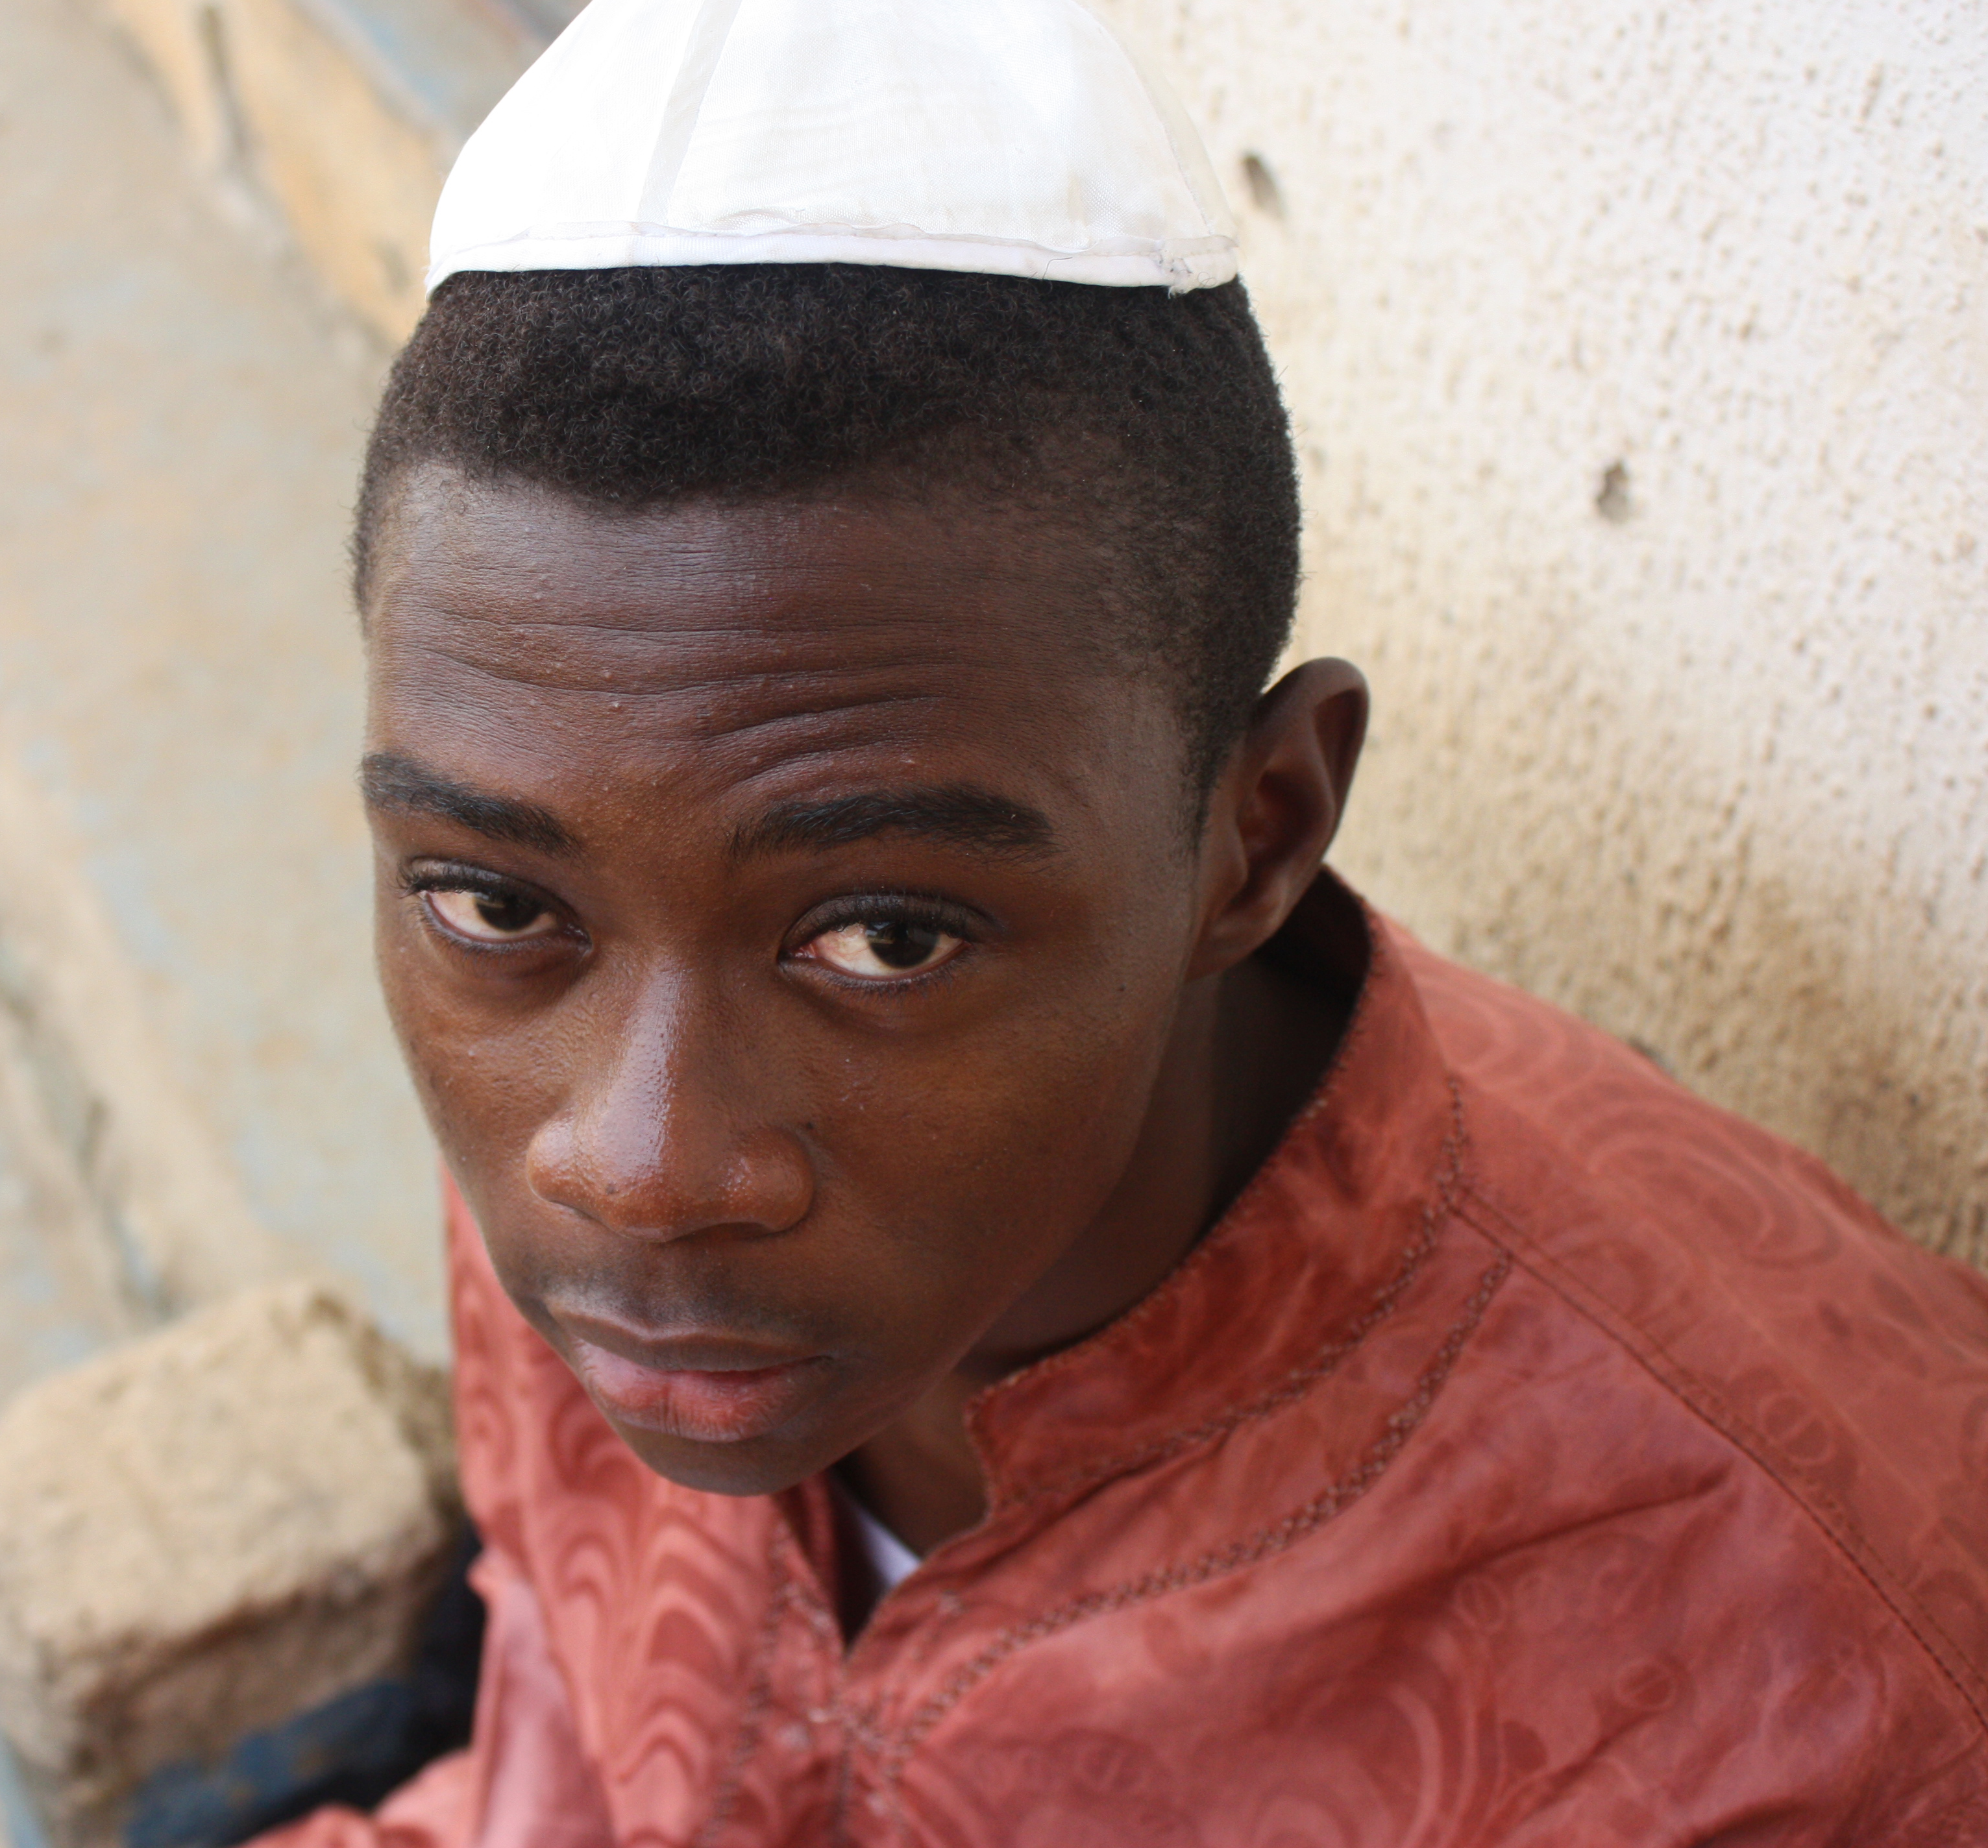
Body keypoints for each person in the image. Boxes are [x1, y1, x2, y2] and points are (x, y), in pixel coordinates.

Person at [256, 1, 1988, 1840]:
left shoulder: (1778, 1693)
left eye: (888, 939)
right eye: (497, 897)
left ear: (1258, 834)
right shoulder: (587, 1130)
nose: (637, 1169)